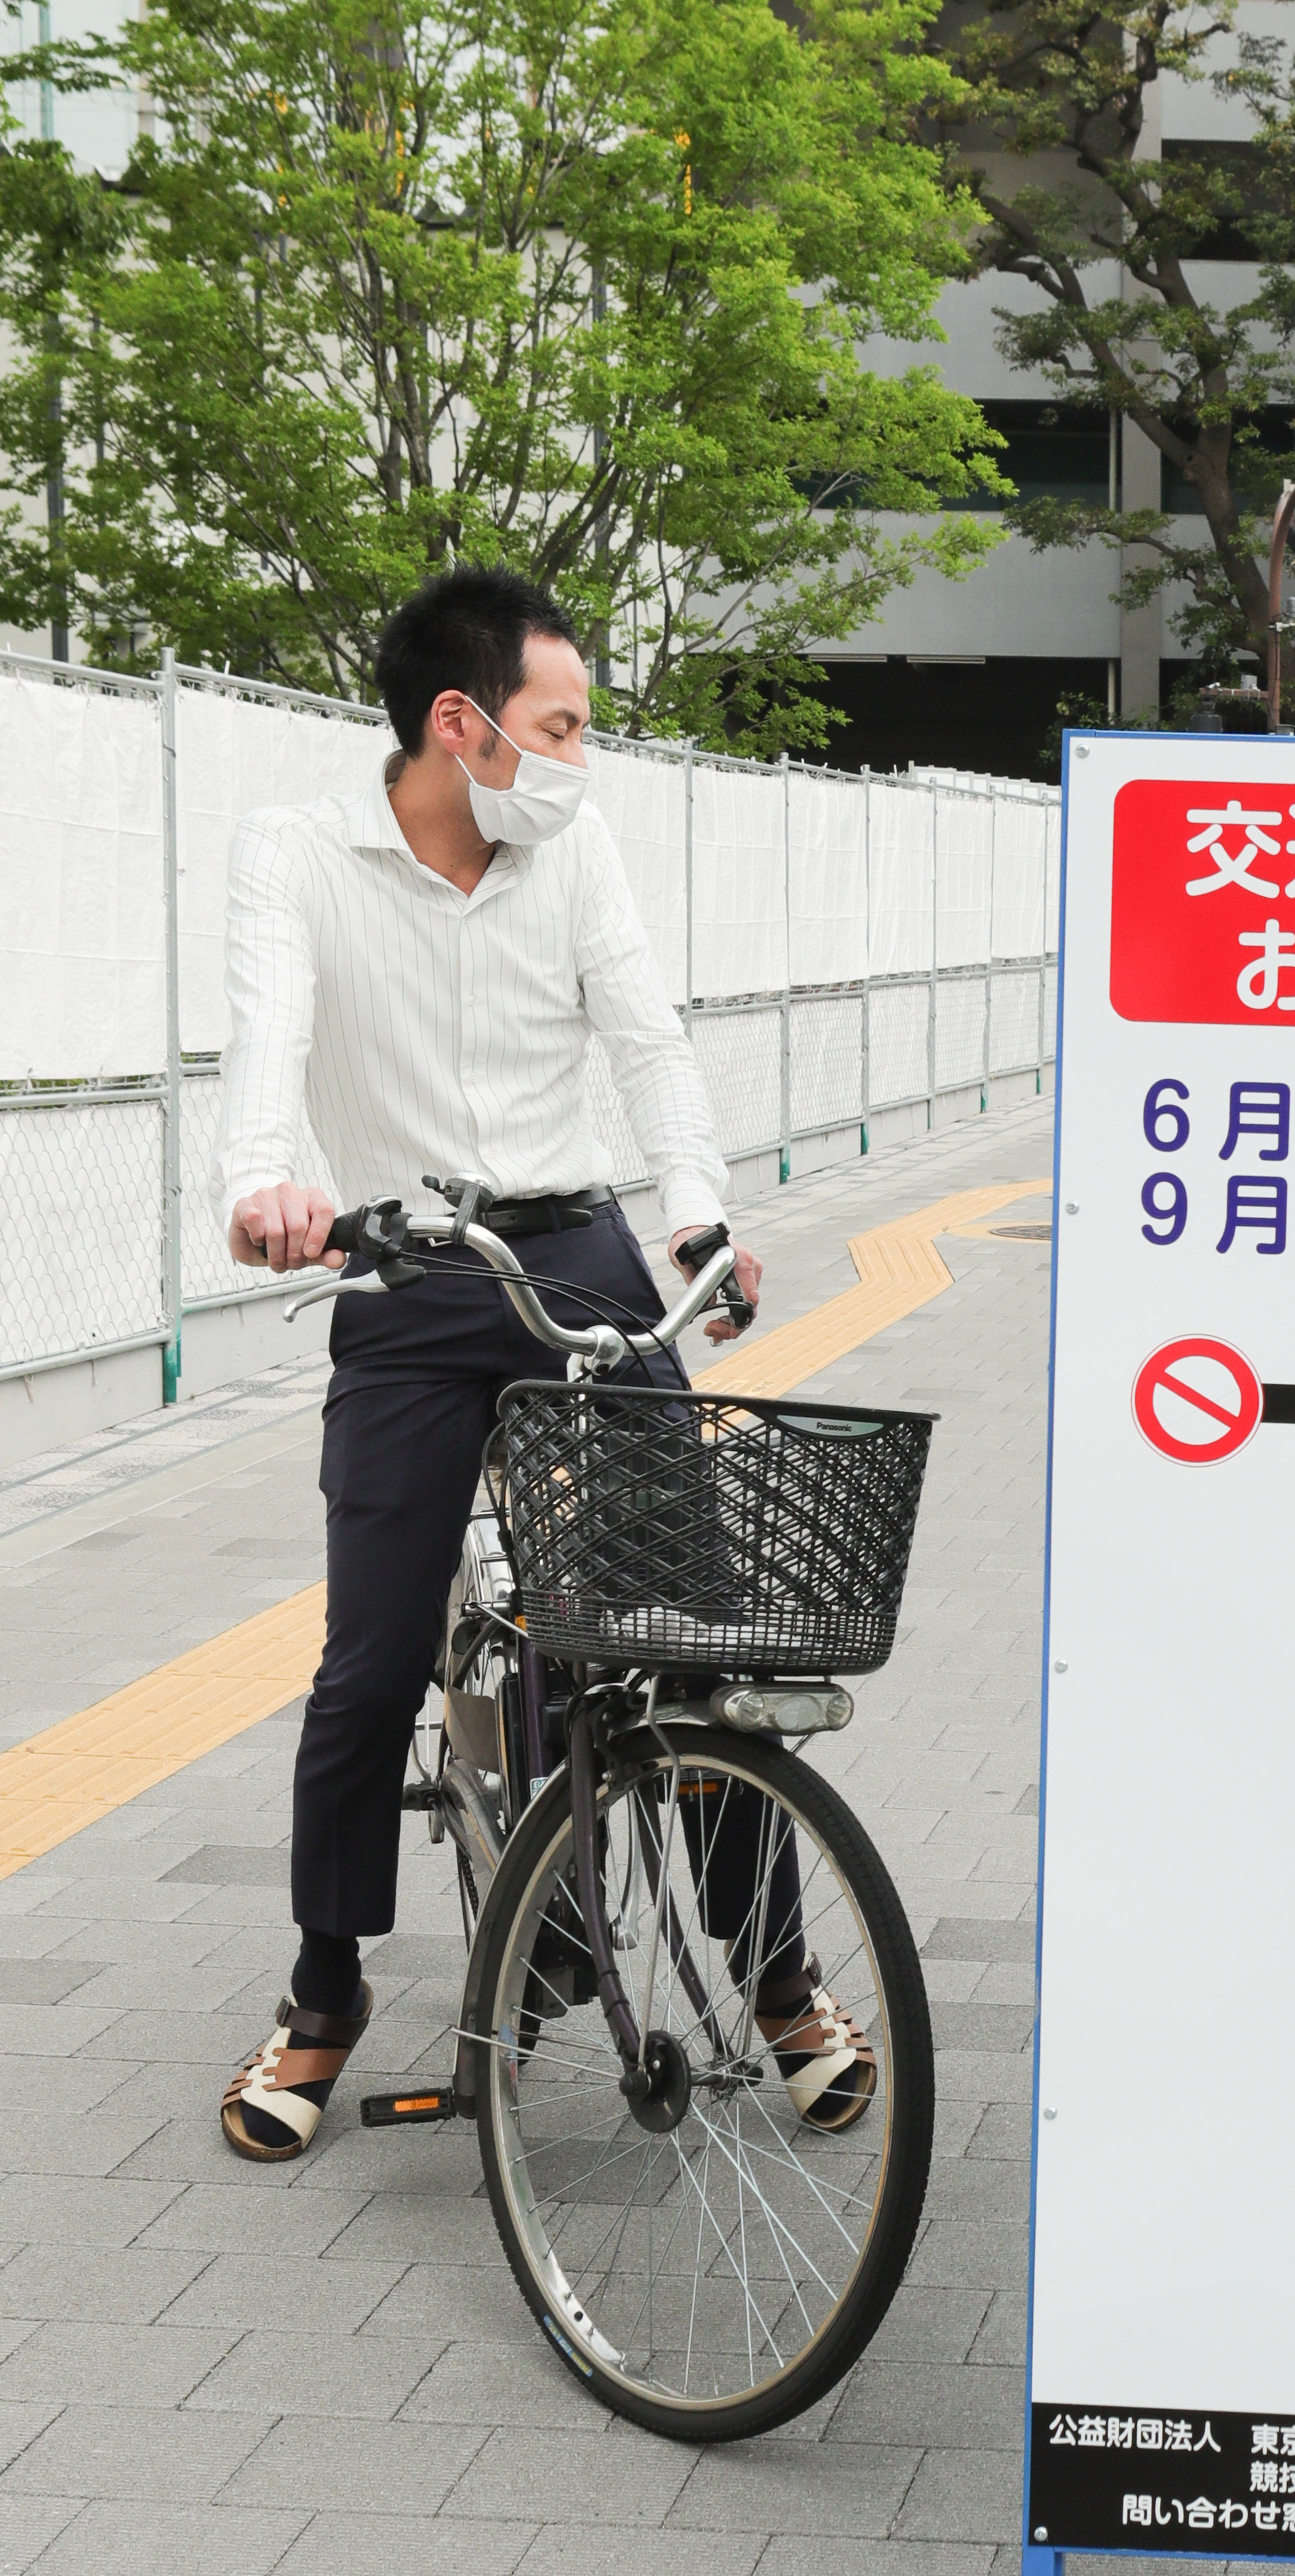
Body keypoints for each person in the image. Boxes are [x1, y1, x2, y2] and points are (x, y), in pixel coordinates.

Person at [213, 565, 792, 2160]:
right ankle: (323, 1991)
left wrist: (697, 1221)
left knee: (688, 1622)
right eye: (560, 726)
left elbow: (647, 1038)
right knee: (370, 1661)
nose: (581, 760)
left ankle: (787, 1977)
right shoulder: (298, 855)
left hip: (575, 1245)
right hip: (401, 1270)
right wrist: (268, 1187)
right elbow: (265, 1045)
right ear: (460, 726)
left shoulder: (573, 844)